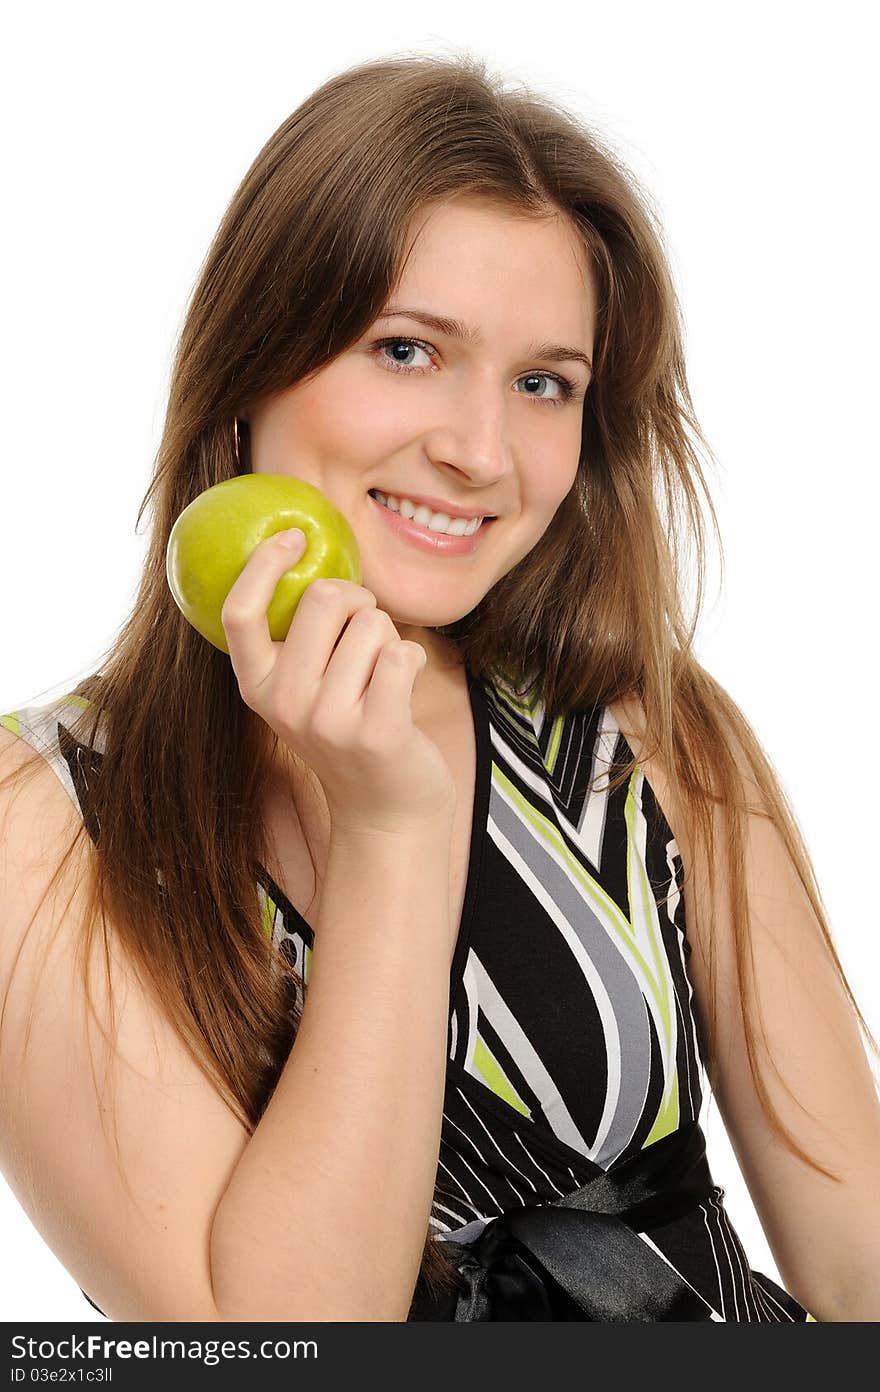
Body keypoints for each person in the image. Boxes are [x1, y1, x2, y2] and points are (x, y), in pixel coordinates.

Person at [1, 50, 878, 1324]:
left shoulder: (640, 732)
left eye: (543, 384)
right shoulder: (48, 824)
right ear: (253, 366)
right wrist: (394, 835)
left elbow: (859, 1267)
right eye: (407, 351)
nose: (479, 453)